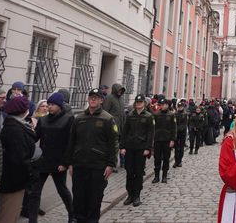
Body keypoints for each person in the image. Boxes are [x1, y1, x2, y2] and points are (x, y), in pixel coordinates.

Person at [62, 88, 118, 223]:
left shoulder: (108, 119)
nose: (93, 99)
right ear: (88, 99)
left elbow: (113, 144)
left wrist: (111, 164)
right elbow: (71, 141)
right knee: (79, 200)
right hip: (79, 165)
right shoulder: (79, 118)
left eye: (96, 97)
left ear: (101, 100)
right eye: (91, 97)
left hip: (98, 167)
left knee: (94, 200)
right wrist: (69, 163)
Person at [28, 92, 74, 223]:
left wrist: (65, 162)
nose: (49, 107)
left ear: (59, 106)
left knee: (62, 190)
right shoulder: (43, 120)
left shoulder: (68, 119)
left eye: (52, 104)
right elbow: (35, 138)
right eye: (48, 104)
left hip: (58, 163)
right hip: (42, 162)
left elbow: (70, 143)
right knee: (35, 193)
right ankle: (32, 220)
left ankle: (72, 215)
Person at [0, 95, 37, 223]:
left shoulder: (17, 125)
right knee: (8, 215)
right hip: (13, 181)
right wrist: (31, 173)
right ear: (23, 111)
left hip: (15, 180)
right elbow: (19, 159)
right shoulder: (15, 129)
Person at [120, 94, 154, 207]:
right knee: (129, 172)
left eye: (141, 102)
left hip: (141, 148)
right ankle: (130, 194)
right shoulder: (130, 115)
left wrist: (148, 148)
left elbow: (150, 134)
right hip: (130, 147)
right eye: (137, 102)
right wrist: (122, 147)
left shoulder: (148, 116)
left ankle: (137, 195)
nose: (139, 104)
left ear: (144, 103)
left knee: (138, 173)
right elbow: (125, 132)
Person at [151, 95, 176, 184]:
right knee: (157, 158)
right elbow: (153, 127)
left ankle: (164, 175)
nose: (162, 106)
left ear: (167, 105)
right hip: (157, 139)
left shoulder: (171, 115)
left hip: (167, 140)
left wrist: (172, 140)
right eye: (161, 104)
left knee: (166, 158)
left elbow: (174, 128)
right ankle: (156, 176)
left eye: (164, 104)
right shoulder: (156, 114)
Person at [173, 99, 189, 168]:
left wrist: (179, 129)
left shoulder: (185, 114)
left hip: (182, 133)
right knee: (176, 148)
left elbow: (185, 124)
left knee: (181, 147)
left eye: (181, 107)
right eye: (179, 107)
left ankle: (180, 161)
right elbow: (174, 123)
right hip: (176, 133)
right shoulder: (175, 114)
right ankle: (176, 161)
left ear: (183, 107)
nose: (180, 108)